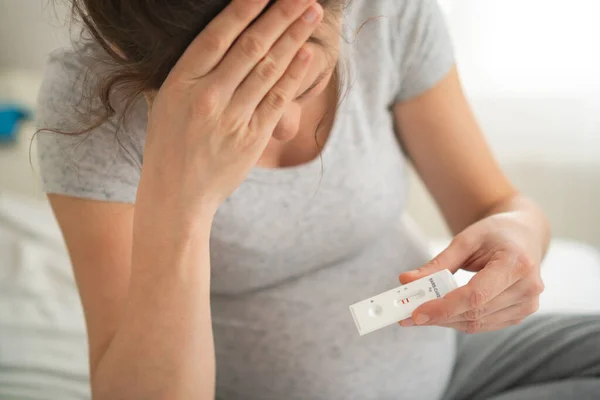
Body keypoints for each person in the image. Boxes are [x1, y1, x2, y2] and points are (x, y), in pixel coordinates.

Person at [36, 0, 600, 399]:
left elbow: (496, 204)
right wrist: (183, 200)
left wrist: (518, 235)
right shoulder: (91, 110)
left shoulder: (386, 15)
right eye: (230, 99)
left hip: (455, 367)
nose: (280, 128)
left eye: (303, 83)